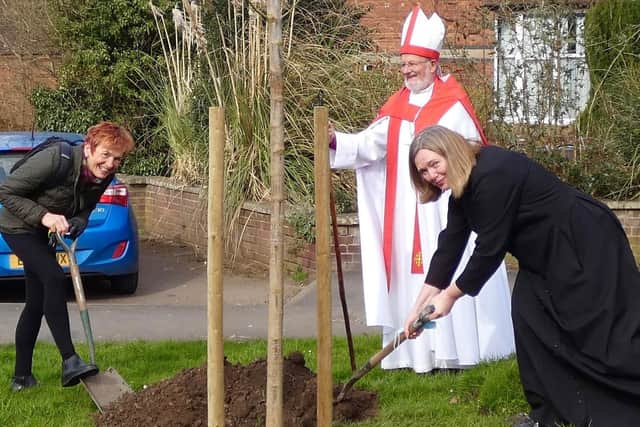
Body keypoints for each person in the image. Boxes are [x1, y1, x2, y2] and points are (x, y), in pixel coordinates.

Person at [404, 125, 640, 427]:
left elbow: (490, 248)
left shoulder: (492, 173)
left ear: (451, 151)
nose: (431, 176)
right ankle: (550, 414)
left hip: (584, 241)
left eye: (434, 164)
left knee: (601, 332)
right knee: (530, 319)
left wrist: (449, 296)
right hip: (545, 256)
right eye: (423, 172)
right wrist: (418, 308)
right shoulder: (462, 190)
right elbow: (449, 246)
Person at [329, 5, 514, 373]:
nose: (407, 70)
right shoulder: (397, 105)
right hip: (405, 212)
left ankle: (457, 353)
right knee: (411, 279)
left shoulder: (453, 105)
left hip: (445, 211)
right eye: (404, 64)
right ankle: (415, 356)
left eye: (414, 63)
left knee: (449, 266)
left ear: (433, 63)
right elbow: (371, 145)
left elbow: (470, 155)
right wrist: (336, 141)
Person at [0, 121, 135, 391]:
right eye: (105, 154)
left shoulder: (104, 176)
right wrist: (45, 216)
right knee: (52, 276)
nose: (110, 163)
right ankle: (70, 360)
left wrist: (79, 222)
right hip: (17, 226)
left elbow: (86, 209)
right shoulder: (56, 158)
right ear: (89, 148)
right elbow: (6, 191)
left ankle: (21, 378)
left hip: (42, 232)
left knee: (36, 303)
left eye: (117, 158)